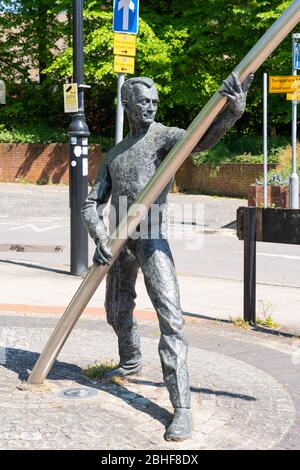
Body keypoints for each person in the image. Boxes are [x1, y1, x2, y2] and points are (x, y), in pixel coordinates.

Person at [81, 73, 253, 441]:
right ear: (127, 104)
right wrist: (99, 236)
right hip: (118, 241)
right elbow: (91, 204)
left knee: (171, 319)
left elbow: (199, 141)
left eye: (155, 100)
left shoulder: (163, 137)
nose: (151, 106)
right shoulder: (114, 154)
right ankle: (130, 361)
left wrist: (231, 114)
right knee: (116, 310)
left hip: (151, 238)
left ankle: (182, 408)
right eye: (143, 101)